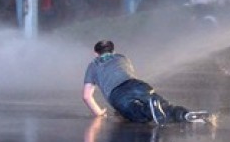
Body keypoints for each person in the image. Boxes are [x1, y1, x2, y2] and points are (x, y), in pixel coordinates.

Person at [82, 40, 212, 124]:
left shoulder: (93, 66)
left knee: (138, 115)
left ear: (95, 53)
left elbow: (87, 96)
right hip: (136, 84)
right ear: (113, 51)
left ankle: (148, 109)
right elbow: (129, 74)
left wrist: (99, 113)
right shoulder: (121, 57)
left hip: (117, 94)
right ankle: (184, 114)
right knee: (165, 106)